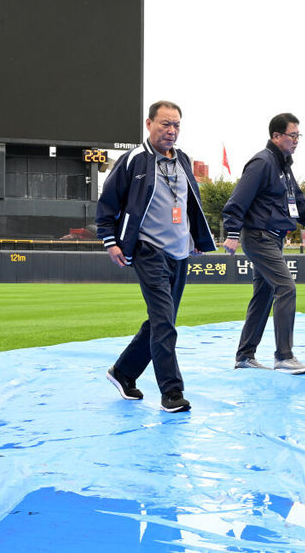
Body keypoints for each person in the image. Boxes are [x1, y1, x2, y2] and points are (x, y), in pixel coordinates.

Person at [97, 101, 216, 412]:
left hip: (180, 252)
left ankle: (123, 372)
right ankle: (172, 393)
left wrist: (195, 236)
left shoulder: (184, 160)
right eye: (165, 124)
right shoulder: (133, 160)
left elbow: (191, 202)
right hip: (148, 249)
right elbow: (108, 202)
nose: (171, 130)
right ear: (148, 124)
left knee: (162, 322)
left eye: (176, 125)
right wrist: (111, 241)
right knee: (165, 322)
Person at [222, 113, 305, 374]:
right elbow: (238, 200)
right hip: (259, 236)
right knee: (286, 288)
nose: (296, 140)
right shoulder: (262, 163)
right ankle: (284, 356)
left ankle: (245, 356)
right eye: (292, 135)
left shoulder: (283, 168)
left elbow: (298, 203)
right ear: (276, 136)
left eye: (298, 136)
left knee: (264, 294)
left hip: (273, 238)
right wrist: (232, 232)